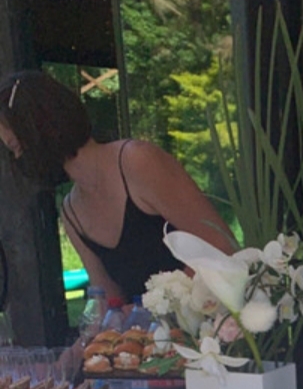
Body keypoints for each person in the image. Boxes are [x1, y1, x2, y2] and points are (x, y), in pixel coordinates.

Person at [0, 69, 234, 305]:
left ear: (41, 130)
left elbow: (220, 244)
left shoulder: (137, 162)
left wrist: (161, 307)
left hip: (214, 317)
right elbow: (107, 298)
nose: (18, 159)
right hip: (157, 327)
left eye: (17, 147)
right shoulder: (72, 213)